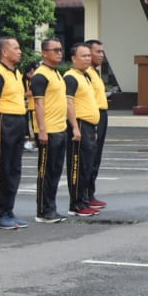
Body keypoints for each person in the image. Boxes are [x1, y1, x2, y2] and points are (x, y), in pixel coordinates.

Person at [0, 36, 29, 230]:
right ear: (5, 52)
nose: (20, 51)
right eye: (16, 48)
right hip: (4, 122)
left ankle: (9, 210)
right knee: (1, 170)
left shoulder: (16, 73)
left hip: (18, 121)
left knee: (14, 170)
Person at [31, 38, 69, 223]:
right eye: (55, 50)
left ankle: (51, 208)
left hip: (60, 129)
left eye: (60, 49)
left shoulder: (56, 74)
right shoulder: (41, 75)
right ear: (44, 53)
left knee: (55, 171)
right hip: (49, 131)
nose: (59, 53)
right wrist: (42, 131)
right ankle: (43, 211)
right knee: (45, 172)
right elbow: (38, 104)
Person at [65, 43, 101, 218]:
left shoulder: (85, 76)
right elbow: (68, 103)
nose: (88, 58)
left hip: (89, 126)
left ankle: (85, 201)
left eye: (88, 55)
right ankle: (76, 204)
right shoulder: (71, 77)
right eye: (83, 55)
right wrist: (75, 127)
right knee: (78, 167)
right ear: (73, 58)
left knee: (88, 166)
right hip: (79, 124)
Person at [86, 39, 110, 208]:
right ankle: (85, 196)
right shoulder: (86, 73)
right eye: (98, 52)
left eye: (102, 52)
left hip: (102, 115)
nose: (101, 55)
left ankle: (90, 193)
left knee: (96, 158)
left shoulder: (95, 72)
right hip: (93, 116)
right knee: (89, 157)